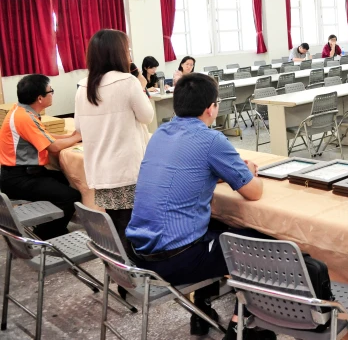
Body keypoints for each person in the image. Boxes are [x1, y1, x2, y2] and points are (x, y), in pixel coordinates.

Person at [125, 74, 269, 340]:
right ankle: (241, 328)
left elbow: (187, 170)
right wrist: (248, 172)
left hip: (138, 253)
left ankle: (201, 309)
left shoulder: (160, 133)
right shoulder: (211, 140)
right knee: (259, 245)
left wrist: (223, 171)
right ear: (211, 108)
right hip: (176, 261)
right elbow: (254, 192)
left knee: (217, 228)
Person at [75, 29, 153, 253]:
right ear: (117, 53)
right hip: (127, 170)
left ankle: (122, 277)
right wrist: (141, 85)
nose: (129, 54)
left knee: (118, 225)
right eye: (127, 50)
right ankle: (133, 279)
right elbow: (147, 116)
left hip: (101, 171)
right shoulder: (127, 81)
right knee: (133, 228)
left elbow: (79, 127)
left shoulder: (83, 85)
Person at [0, 75, 82, 239]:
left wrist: (71, 136)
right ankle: (45, 235)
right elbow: (52, 147)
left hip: (19, 173)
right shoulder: (25, 118)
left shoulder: (21, 111)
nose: (52, 94)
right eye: (50, 91)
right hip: (19, 178)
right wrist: (77, 137)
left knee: (64, 179)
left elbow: (47, 136)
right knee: (71, 196)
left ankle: (52, 224)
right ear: (40, 98)